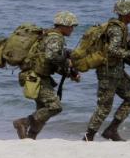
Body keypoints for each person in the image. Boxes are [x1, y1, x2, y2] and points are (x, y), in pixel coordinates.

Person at [13, 11, 80, 139]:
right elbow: (51, 57)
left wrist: (69, 73)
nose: (72, 29)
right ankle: (23, 122)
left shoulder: (48, 35)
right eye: (71, 26)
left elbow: (47, 60)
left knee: (42, 111)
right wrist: (68, 63)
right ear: (63, 25)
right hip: (37, 77)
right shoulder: (55, 38)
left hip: (36, 75)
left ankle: (30, 138)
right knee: (55, 107)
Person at [83, 0, 130, 141]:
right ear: (125, 13)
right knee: (104, 107)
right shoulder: (116, 29)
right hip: (108, 73)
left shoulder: (121, 27)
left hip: (118, 73)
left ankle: (111, 130)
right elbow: (112, 50)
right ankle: (88, 137)